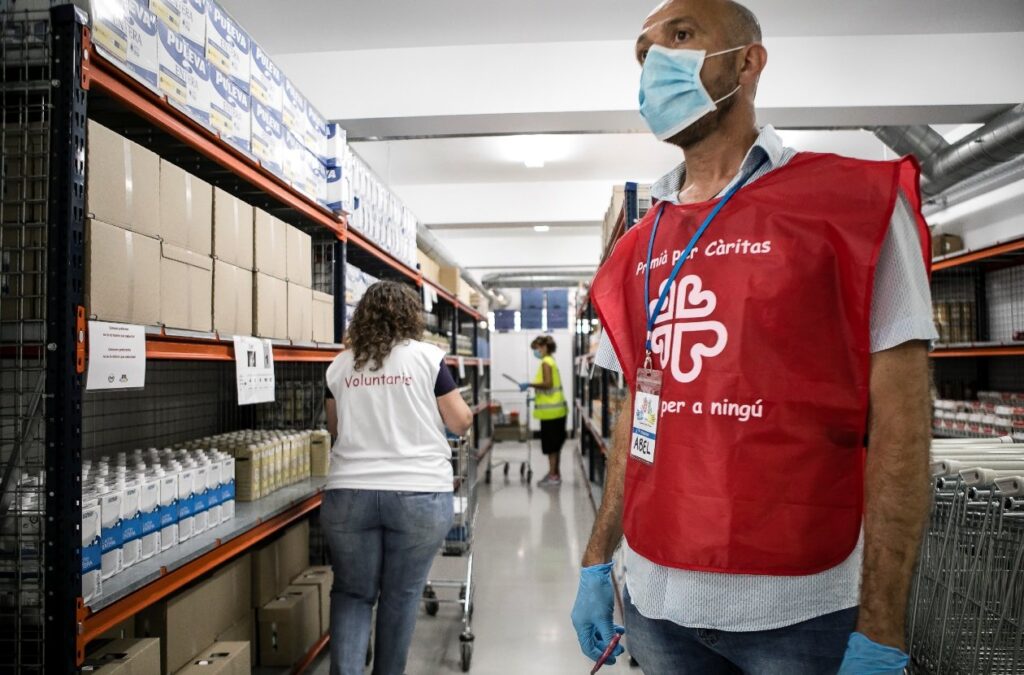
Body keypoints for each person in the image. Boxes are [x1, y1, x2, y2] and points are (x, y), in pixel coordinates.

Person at [570, 1, 936, 674]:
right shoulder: (638, 245)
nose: (656, 64)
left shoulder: (854, 207)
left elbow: (904, 424)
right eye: (645, 53)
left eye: (680, 37)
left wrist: (882, 623)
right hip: (654, 600)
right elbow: (638, 408)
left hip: (800, 610)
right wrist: (599, 556)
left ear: (748, 60)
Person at [323, 280, 473, 675]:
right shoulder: (427, 357)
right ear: (410, 316)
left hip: (349, 493)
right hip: (419, 493)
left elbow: (335, 427)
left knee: (353, 593)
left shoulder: (339, 365)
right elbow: (459, 421)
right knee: (401, 595)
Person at [520, 335, 569, 486]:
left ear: (544, 348)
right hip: (557, 410)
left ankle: (553, 476)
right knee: (555, 445)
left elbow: (548, 384)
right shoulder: (551, 361)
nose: (536, 351)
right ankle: (555, 473)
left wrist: (530, 384)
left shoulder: (546, 363)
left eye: (537, 348)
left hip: (551, 413)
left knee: (551, 446)